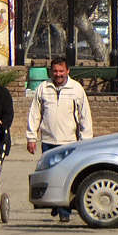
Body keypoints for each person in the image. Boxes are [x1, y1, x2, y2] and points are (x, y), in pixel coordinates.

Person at [26, 57, 93, 222]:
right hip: (48, 141)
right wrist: (31, 137)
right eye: (55, 71)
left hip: (69, 141)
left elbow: (85, 116)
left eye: (61, 71)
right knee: (49, 176)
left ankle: (64, 212)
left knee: (65, 176)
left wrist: (86, 140)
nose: (58, 74)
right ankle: (55, 204)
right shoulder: (43, 88)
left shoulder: (76, 89)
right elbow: (35, 114)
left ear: (68, 71)